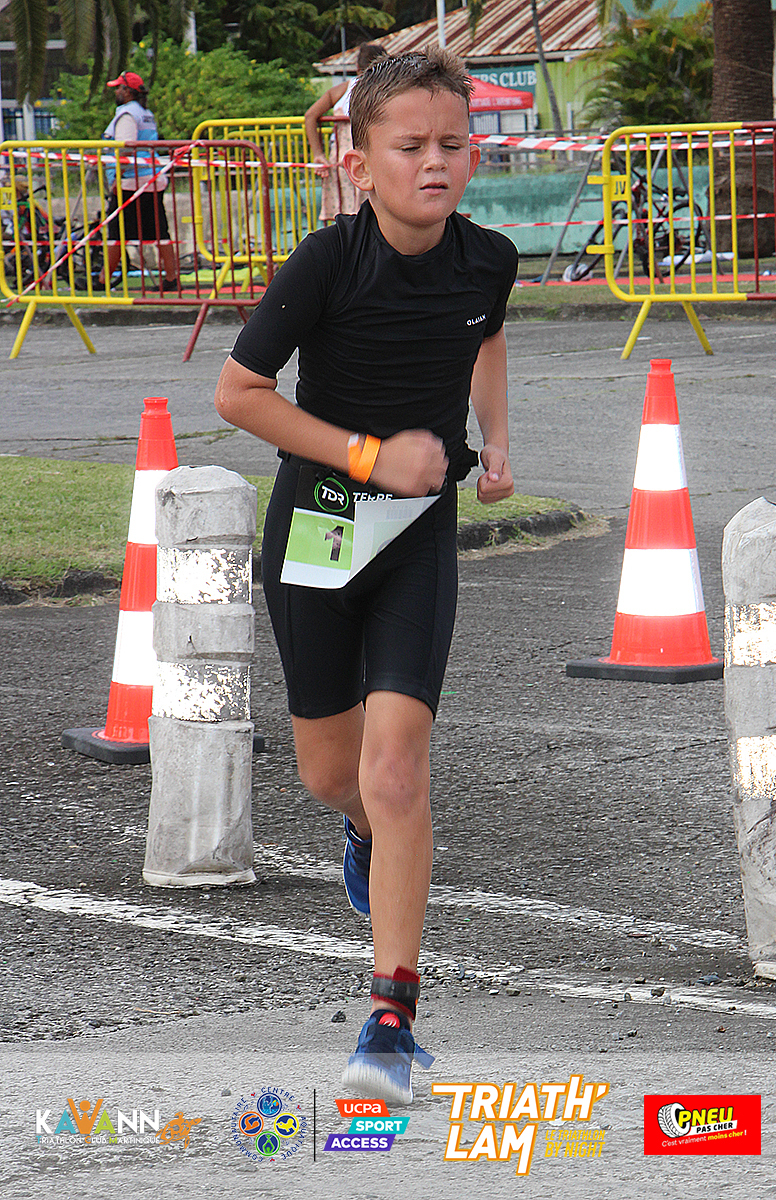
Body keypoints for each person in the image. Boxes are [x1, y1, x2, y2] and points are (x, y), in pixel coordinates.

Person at [214, 49, 517, 1105]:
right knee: (333, 778)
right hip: (321, 526)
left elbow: (485, 340)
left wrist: (493, 439)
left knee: (397, 775)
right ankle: (356, 832)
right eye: (410, 146)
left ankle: (391, 1018)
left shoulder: (489, 259)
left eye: (452, 145)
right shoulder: (326, 263)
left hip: (418, 533)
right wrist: (367, 456)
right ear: (359, 163)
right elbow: (239, 393)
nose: (435, 163)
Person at [98, 71, 178, 292]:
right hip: (151, 178)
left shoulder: (127, 115)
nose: (116, 91)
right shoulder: (145, 113)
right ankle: (171, 278)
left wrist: (117, 177)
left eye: (119, 87)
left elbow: (125, 148)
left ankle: (103, 280)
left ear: (128, 91)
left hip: (132, 181)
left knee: (116, 233)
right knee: (160, 231)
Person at [303, 43, 387, 223]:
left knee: (346, 215)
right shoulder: (385, 92)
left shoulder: (345, 89)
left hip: (343, 159)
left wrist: (318, 153)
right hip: (374, 159)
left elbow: (310, 115)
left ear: (357, 67)